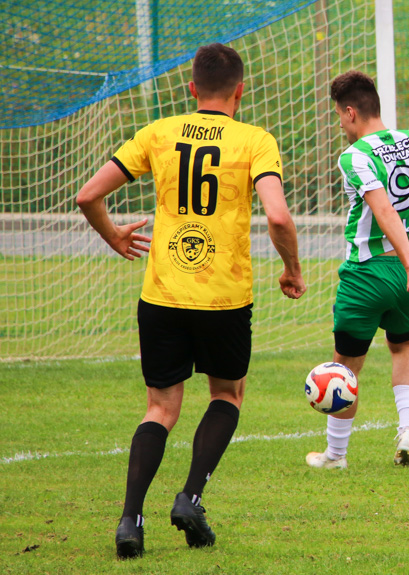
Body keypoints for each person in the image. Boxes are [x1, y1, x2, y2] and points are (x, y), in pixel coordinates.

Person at [76, 43, 306, 559]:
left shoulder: (158, 132)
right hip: (224, 298)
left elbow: (88, 195)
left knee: (160, 407)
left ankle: (130, 520)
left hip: (161, 294)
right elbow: (278, 217)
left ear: (192, 89)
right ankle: (189, 498)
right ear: (240, 91)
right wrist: (292, 269)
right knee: (227, 395)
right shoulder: (255, 140)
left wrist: (114, 235)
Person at [305, 70, 409, 470]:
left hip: (370, 272)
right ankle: (407, 429)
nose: (340, 124)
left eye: (340, 116)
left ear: (351, 111)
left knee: (345, 364)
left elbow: (382, 208)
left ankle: (335, 456)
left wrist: (406, 264)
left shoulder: (355, 155)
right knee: (404, 346)